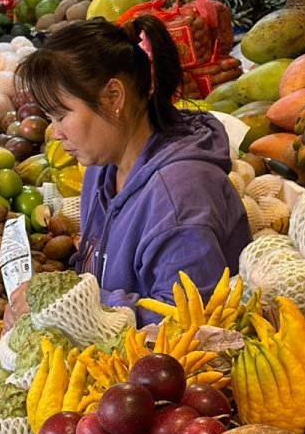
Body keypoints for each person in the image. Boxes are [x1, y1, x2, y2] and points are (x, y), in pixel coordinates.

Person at [15, 18, 250, 320]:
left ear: (113, 96)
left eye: (61, 116)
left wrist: (69, 301)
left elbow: (188, 322)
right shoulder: (103, 168)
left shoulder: (179, 197)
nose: (55, 133)